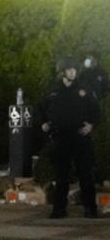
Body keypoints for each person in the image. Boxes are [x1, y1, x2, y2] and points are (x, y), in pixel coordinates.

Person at [41, 57, 100, 219]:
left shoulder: (83, 89)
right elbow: (42, 108)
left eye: (74, 69)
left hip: (80, 137)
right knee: (61, 175)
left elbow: (96, 110)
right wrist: (44, 123)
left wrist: (91, 125)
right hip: (61, 137)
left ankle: (90, 208)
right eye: (69, 69)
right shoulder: (53, 90)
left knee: (85, 173)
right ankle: (59, 209)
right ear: (63, 72)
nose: (72, 72)